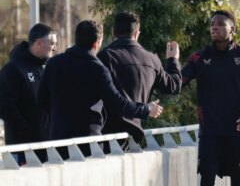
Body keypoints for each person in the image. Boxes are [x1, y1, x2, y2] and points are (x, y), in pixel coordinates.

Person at [37, 20, 163, 159]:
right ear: (97, 43)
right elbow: (118, 104)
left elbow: (42, 100)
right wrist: (146, 109)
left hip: (58, 141)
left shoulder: (54, 63)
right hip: (89, 145)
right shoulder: (98, 69)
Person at [181, 10, 240, 186]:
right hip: (210, 132)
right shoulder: (199, 58)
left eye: (220, 24)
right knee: (206, 181)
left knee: (238, 182)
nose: (214, 28)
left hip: (238, 131)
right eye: (212, 24)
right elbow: (177, 82)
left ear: (232, 28)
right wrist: (171, 62)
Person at [97, 11, 181, 144]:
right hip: (134, 137)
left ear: (113, 32)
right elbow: (174, 86)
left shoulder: (104, 57)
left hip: (106, 137)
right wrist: (173, 60)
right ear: (137, 33)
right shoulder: (152, 60)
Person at [0, 23, 57, 165]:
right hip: (22, 149)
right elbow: (5, 107)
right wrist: (26, 131)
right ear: (39, 43)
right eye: (52, 43)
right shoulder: (13, 69)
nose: (54, 48)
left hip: (48, 146)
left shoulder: (48, 68)